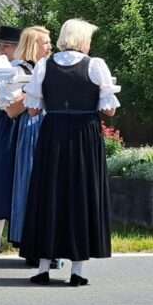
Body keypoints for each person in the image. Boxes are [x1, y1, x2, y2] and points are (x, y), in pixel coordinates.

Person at [20, 19, 119, 286]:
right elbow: (109, 110)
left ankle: (43, 267)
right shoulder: (95, 65)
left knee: (48, 193)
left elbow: (32, 109)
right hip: (84, 134)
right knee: (81, 194)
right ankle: (77, 271)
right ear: (81, 39)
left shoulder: (44, 65)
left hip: (53, 133)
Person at [9, 26, 53, 250]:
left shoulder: (51, 67)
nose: (50, 47)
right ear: (32, 45)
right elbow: (11, 109)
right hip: (31, 126)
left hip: (49, 124)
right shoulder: (18, 70)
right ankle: (24, 235)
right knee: (28, 179)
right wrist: (33, 91)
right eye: (45, 42)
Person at [0, 25, 24, 252]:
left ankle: (9, 234)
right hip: (7, 124)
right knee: (0, 177)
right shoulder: (4, 69)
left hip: (15, 121)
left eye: (5, 46)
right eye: (1, 45)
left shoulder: (18, 69)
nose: (1, 50)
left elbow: (4, 101)